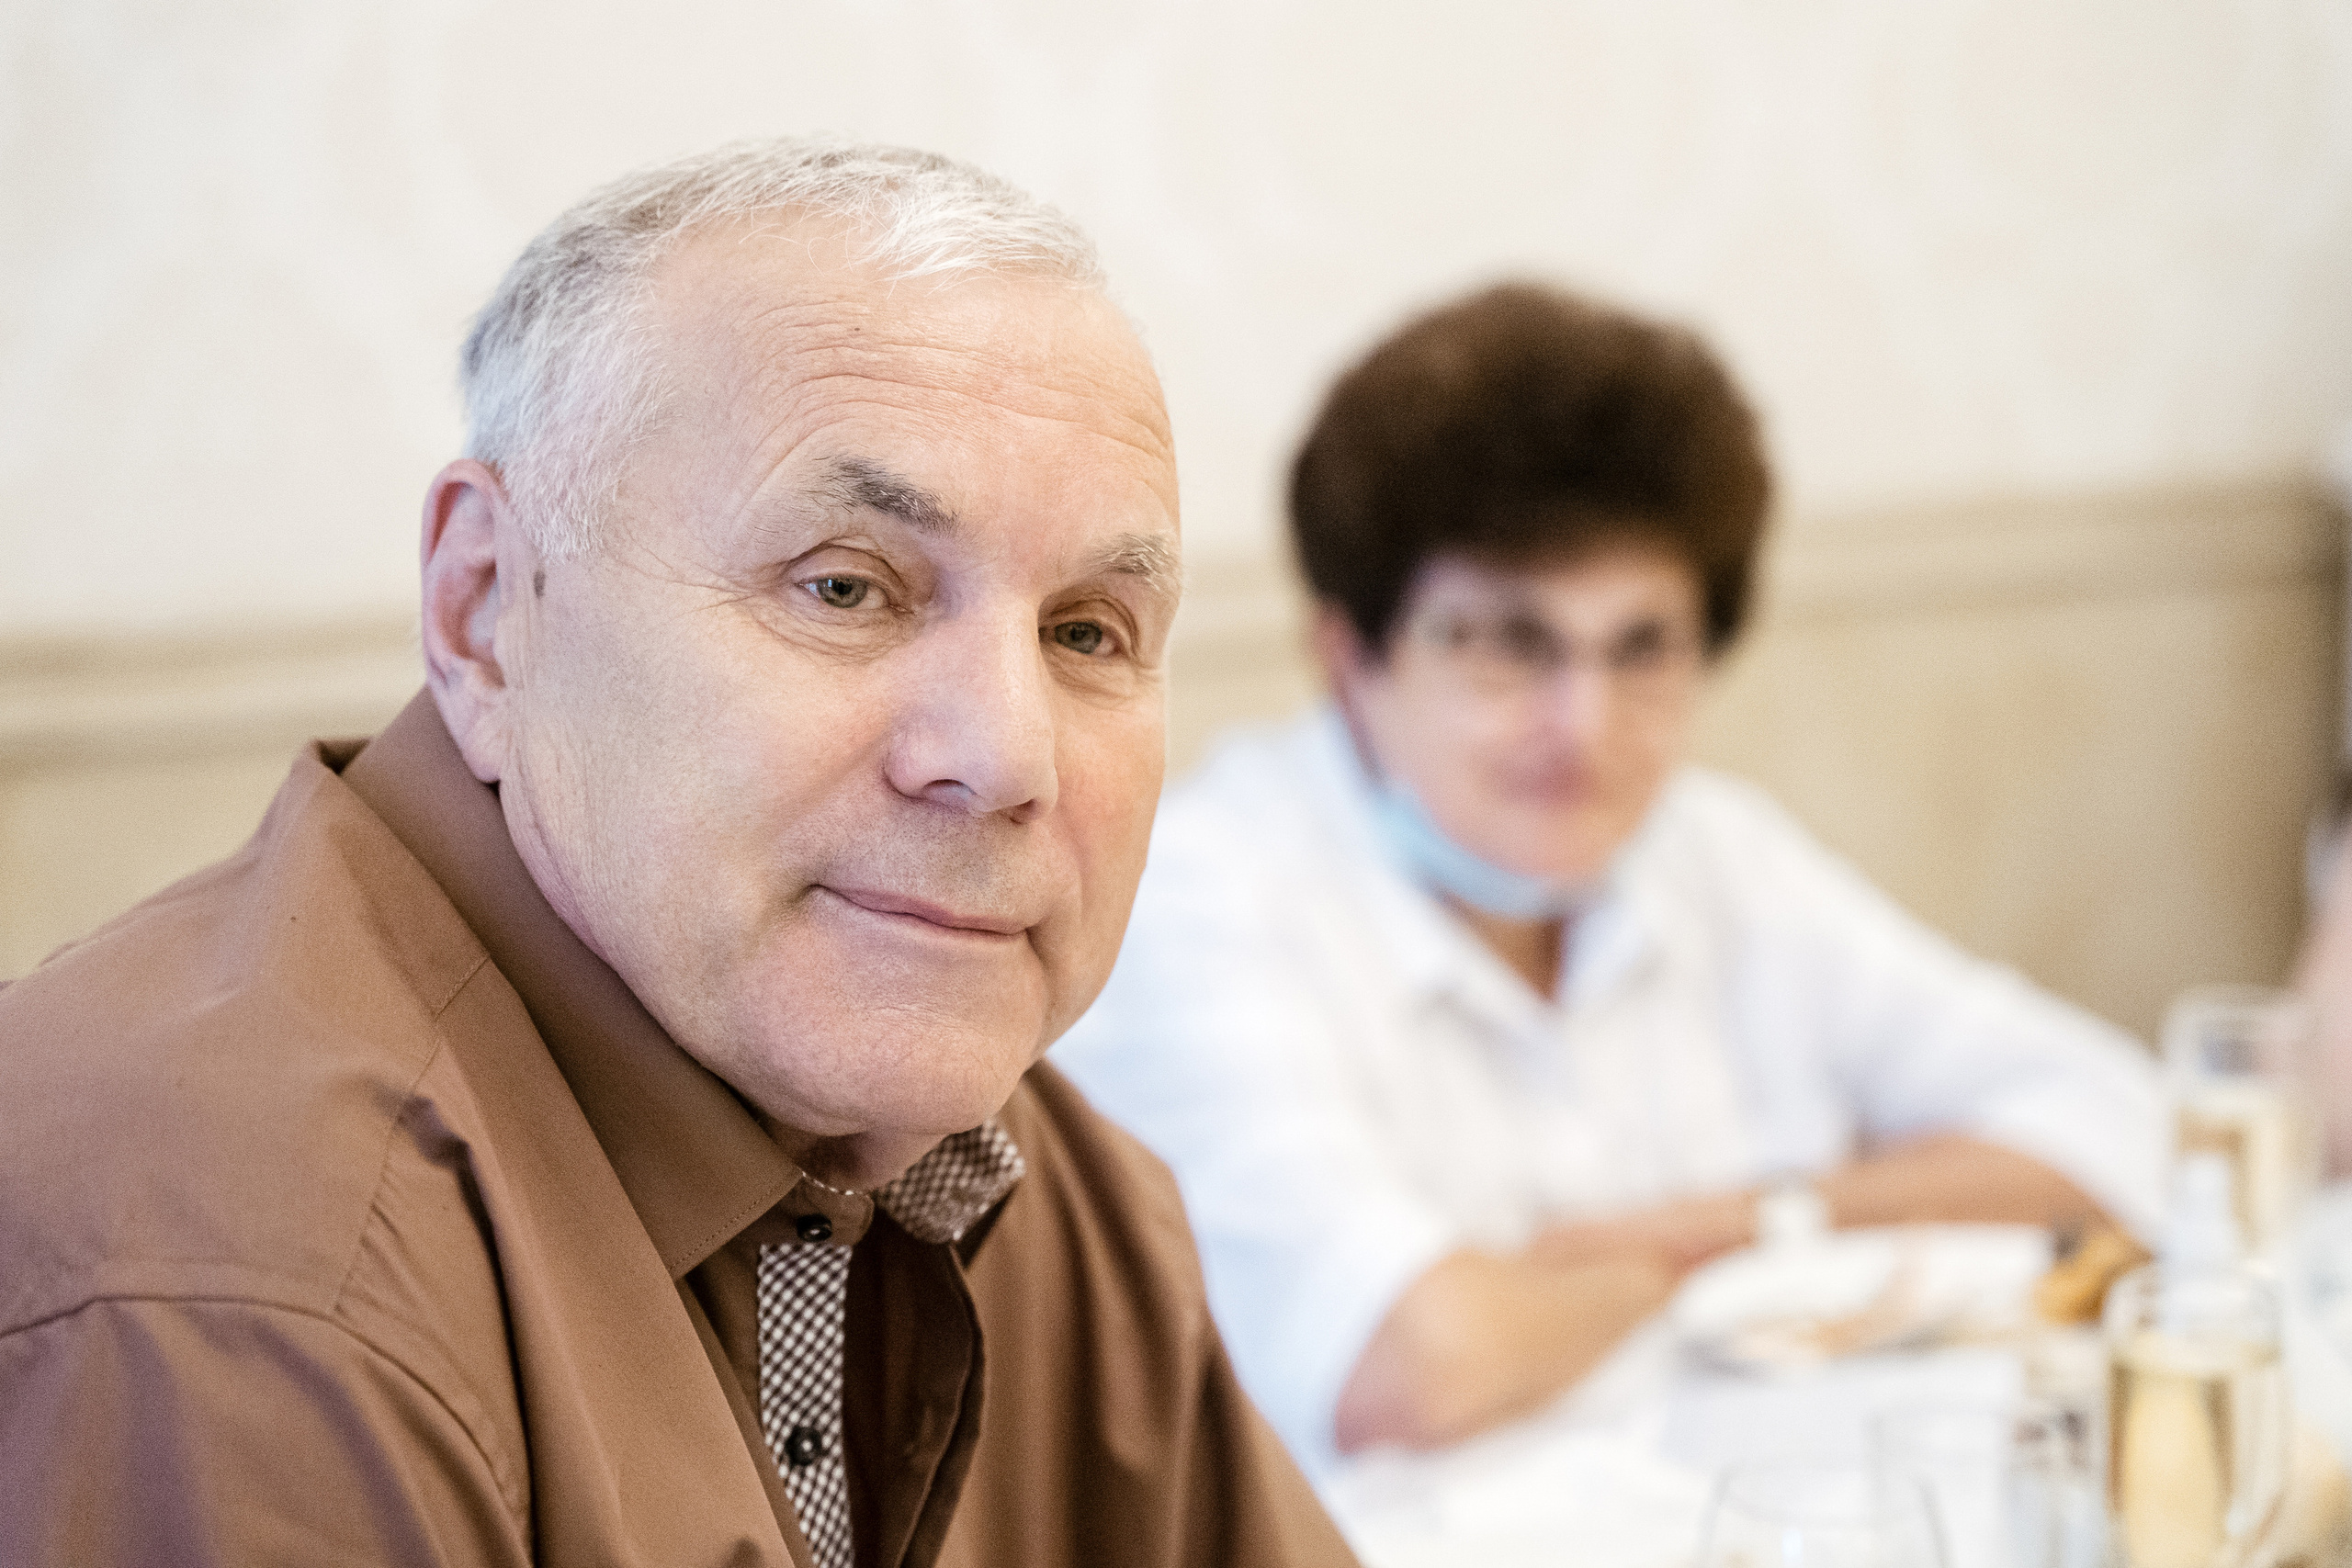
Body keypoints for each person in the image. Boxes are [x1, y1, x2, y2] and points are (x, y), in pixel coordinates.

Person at [0, 139, 1357, 1568]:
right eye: (845, 587)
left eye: (1087, 632)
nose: (1008, 757)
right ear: (483, 612)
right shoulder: (243, 1280)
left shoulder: (1026, 1178)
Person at [1054, 282, 2165, 1472]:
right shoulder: (1196, 901)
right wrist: (1787, 1261)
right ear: (1351, 659)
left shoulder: (1709, 852)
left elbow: (2128, 1137)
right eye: (1506, 642)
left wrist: (1719, 1230)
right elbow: (1413, 1365)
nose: (1584, 725)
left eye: (1644, 648)